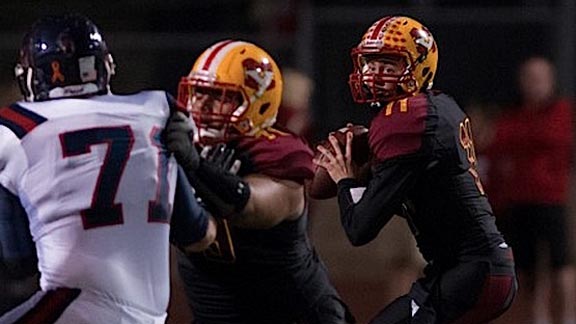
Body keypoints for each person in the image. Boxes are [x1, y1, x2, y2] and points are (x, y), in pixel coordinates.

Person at [0, 14, 216, 323]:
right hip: (150, 317)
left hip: (72, 307)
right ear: (104, 66)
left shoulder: (14, 129)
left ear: (34, 77)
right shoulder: (158, 111)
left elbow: (19, 261)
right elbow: (199, 234)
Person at [313, 16, 517, 323]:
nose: (374, 74)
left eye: (389, 65)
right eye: (370, 63)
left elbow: (360, 228)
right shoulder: (436, 106)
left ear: (419, 67)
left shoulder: (407, 118)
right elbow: (419, 192)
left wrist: (346, 179)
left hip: (471, 271)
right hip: (468, 269)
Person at [165, 39, 355, 324]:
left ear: (257, 104)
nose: (202, 105)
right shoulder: (176, 148)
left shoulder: (276, 154)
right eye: (198, 93)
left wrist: (196, 167)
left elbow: (251, 206)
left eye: (218, 96)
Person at [484, 56, 576, 324]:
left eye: (539, 79)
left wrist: (519, 139)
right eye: (529, 78)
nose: (534, 85)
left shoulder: (560, 110)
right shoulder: (512, 114)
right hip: (518, 199)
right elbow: (496, 144)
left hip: (551, 199)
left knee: (561, 261)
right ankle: (539, 316)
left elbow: (550, 138)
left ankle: (569, 315)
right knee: (528, 267)